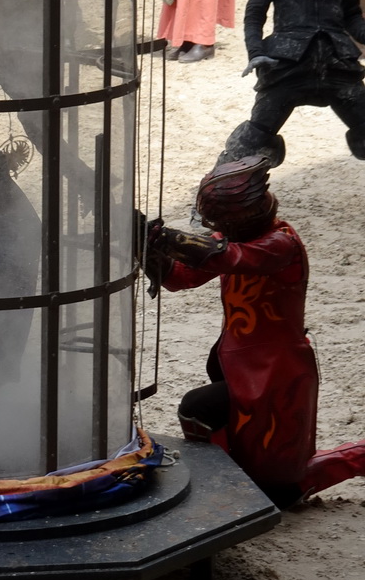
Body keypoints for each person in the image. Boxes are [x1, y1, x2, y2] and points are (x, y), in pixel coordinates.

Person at [143, 156, 365, 508]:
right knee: (203, 412)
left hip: (277, 375)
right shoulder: (231, 239)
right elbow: (180, 277)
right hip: (242, 367)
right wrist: (147, 249)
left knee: (282, 484)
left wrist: (161, 236)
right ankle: (225, 481)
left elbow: (229, 257)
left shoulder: (281, 243)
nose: (218, 228)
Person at [217, 0, 365, 168]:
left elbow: (353, 17)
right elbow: (254, 16)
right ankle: (217, 200)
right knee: (250, 144)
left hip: (337, 68)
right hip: (287, 69)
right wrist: (256, 53)